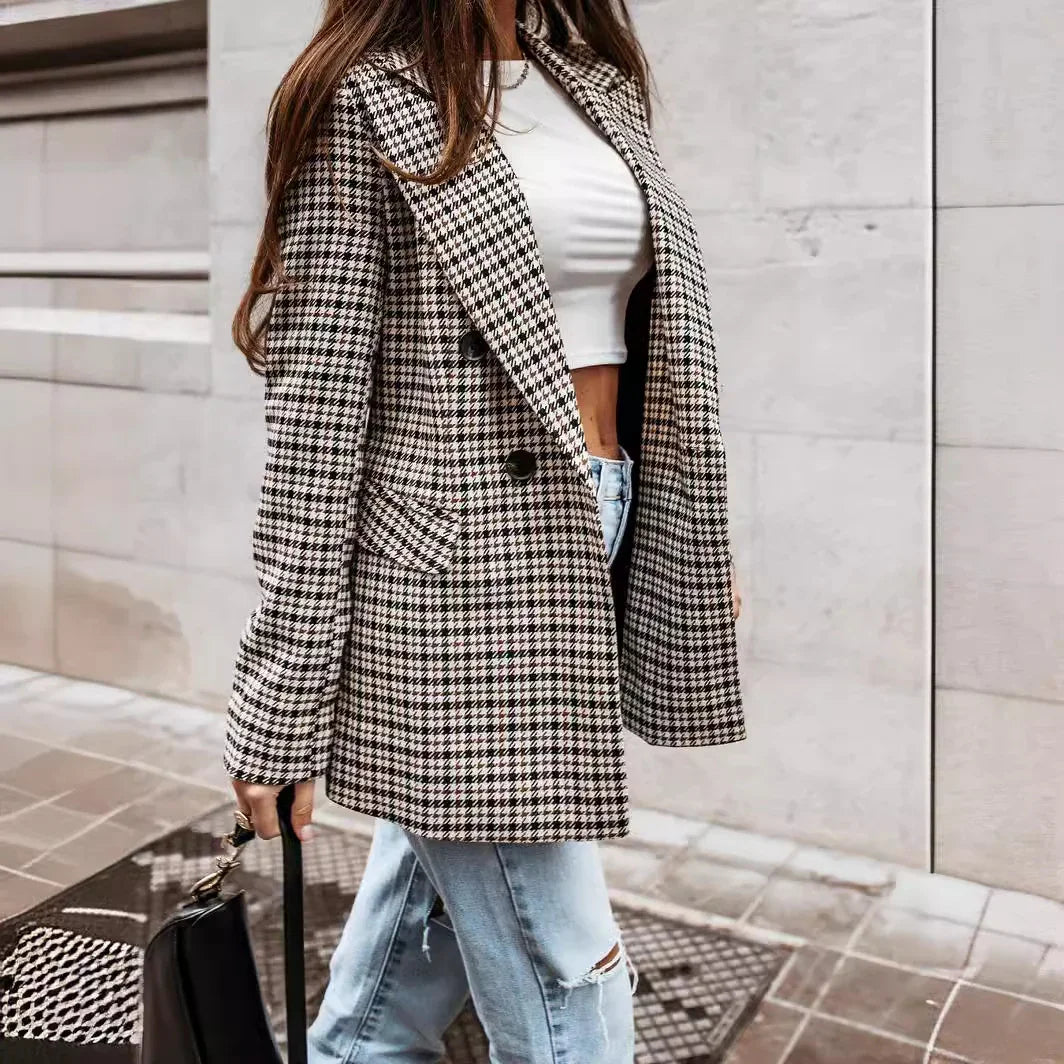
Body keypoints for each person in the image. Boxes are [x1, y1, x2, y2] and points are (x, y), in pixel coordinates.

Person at [223, 1, 745, 1059]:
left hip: (601, 513)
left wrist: (684, 541)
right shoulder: (361, 100)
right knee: (569, 969)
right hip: (455, 578)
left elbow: (654, 343)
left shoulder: (590, 79)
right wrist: (275, 708)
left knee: (417, 930)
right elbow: (317, 424)